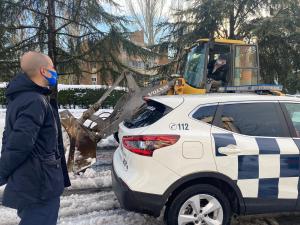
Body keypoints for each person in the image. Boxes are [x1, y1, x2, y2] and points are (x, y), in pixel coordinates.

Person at [0, 51, 70, 225]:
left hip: (33, 181)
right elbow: (19, 145)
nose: (55, 71)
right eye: (52, 67)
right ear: (43, 71)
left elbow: (9, 137)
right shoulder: (34, 101)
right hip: (39, 185)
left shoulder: (23, 98)